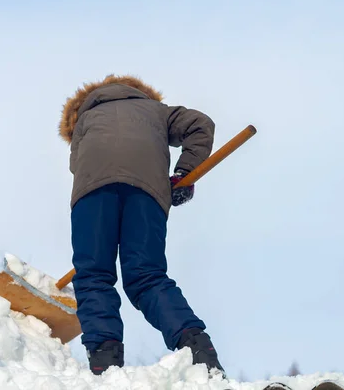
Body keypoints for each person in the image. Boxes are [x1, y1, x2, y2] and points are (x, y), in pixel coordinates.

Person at [58, 74, 225, 376]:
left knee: (94, 274)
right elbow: (200, 125)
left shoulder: (83, 119)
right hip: (147, 191)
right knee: (146, 276)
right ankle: (196, 346)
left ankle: (105, 362)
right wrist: (185, 172)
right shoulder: (157, 111)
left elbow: (77, 166)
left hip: (93, 191)